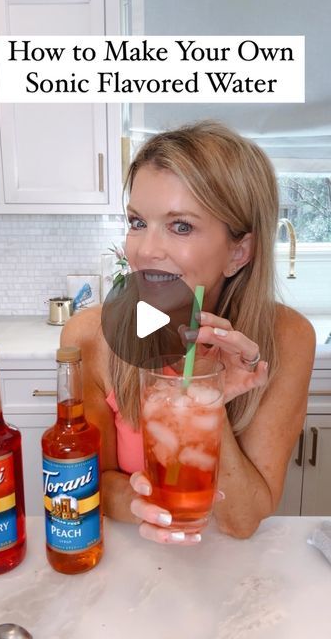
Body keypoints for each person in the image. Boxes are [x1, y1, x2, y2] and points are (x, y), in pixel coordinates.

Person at [61, 120, 315, 544]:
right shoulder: (89, 335)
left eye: (180, 226)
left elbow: (243, 519)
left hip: (238, 577)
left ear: (239, 252)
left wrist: (205, 398)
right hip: (129, 562)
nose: (143, 250)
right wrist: (145, 504)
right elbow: (93, 483)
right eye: (137, 222)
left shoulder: (288, 338)